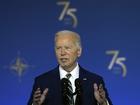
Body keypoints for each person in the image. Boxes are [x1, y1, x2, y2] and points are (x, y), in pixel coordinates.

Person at [27, 30, 113, 105]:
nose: (62, 53)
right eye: (58, 48)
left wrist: (103, 103)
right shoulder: (42, 82)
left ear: (79, 51)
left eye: (67, 48)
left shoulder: (94, 81)